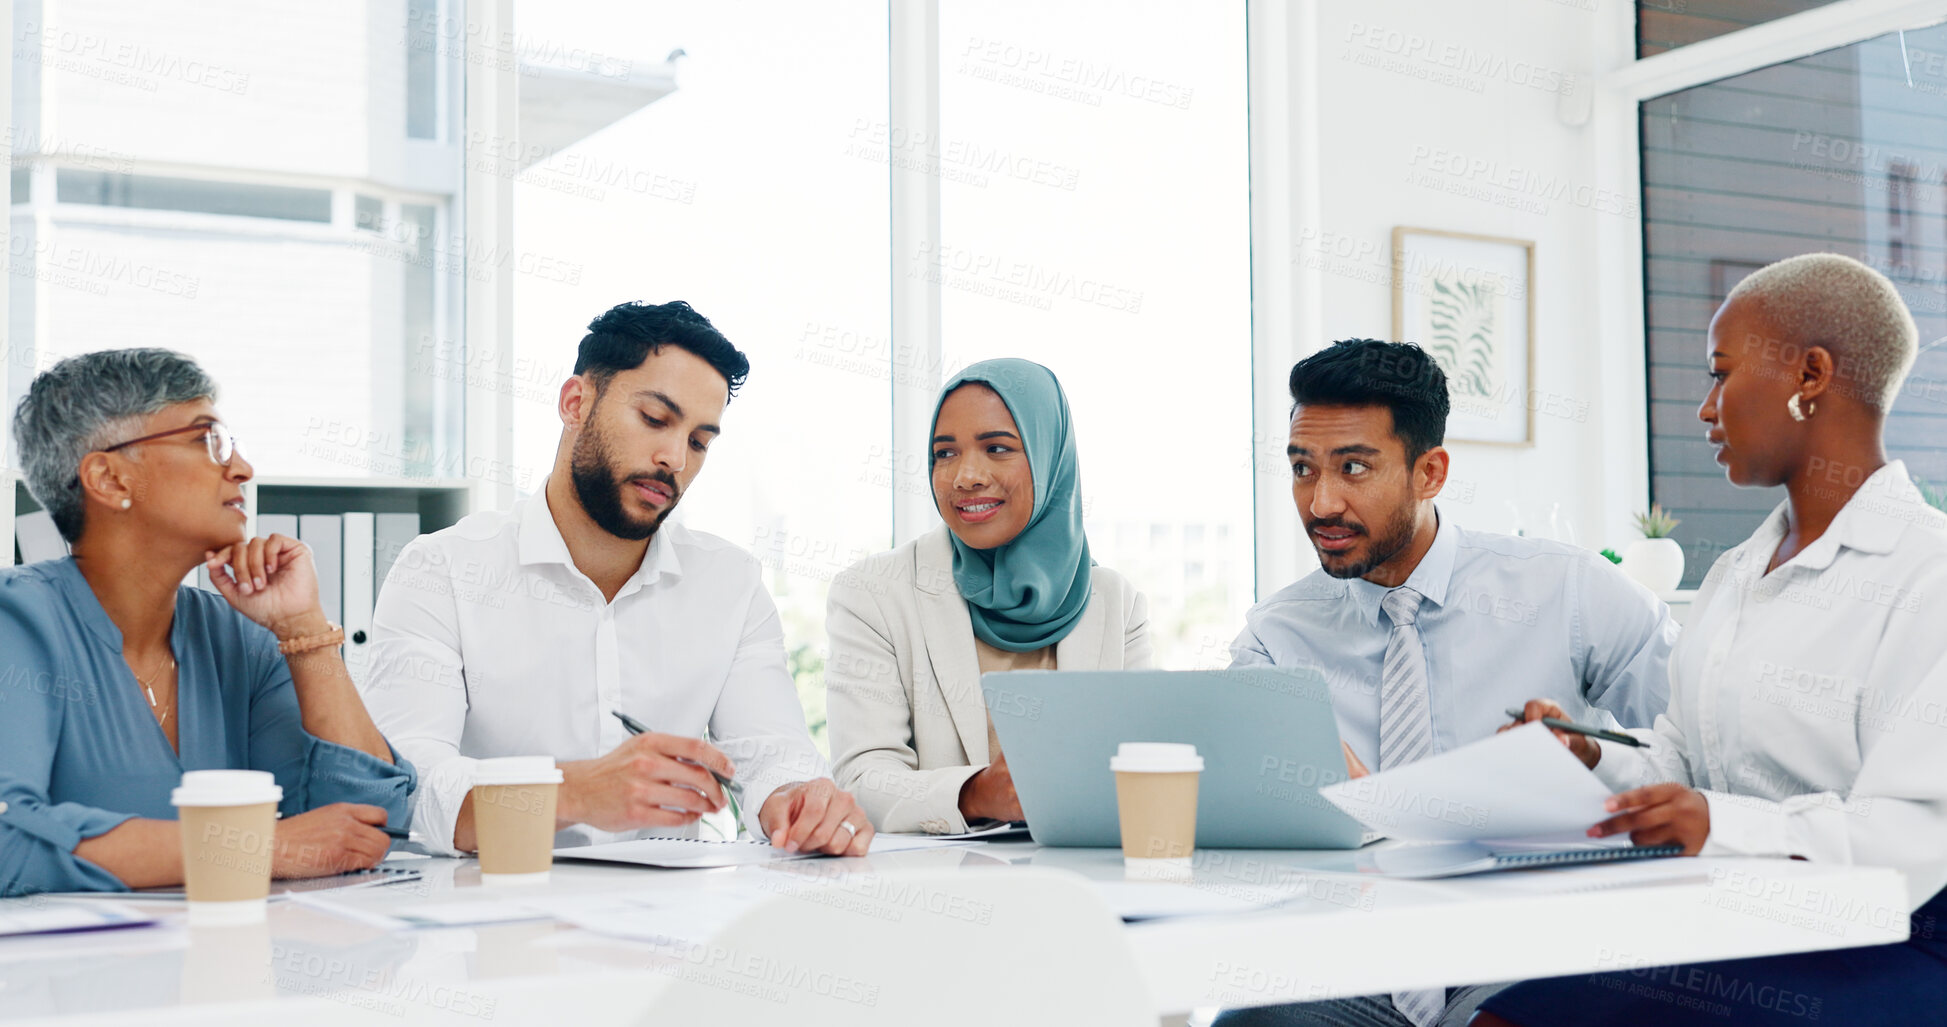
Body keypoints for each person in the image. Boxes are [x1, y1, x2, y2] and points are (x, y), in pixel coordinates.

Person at [1476, 255, 1947, 1026]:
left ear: (1811, 375)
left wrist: (1713, 823)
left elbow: (1904, 839)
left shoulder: (1926, 574)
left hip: (1895, 940)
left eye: (1720, 375)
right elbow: (1685, 762)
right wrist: (1592, 755)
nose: (1704, 409)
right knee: (1504, 1007)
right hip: (1736, 919)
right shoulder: (1734, 574)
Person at [1217, 339, 1679, 1027]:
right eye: (1301, 469)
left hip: (1524, 954)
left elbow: (1689, 753)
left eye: (1352, 467)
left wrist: (1587, 754)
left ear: (1428, 471)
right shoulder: (1274, 635)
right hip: (1350, 963)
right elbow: (1233, 817)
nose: (1320, 501)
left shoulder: (1570, 590)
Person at [362, 300, 872, 858]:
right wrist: (575, 792)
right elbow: (409, 790)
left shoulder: (730, 583)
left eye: (700, 442)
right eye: (655, 419)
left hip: (668, 929)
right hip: (493, 919)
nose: (675, 457)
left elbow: (773, 755)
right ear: (575, 402)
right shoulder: (441, 571)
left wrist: (800, 802)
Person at [0, 349, 415, 896]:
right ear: (109, 478)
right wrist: (266, 847)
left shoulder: (240, 637)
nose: (241, 467)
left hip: (232, 967)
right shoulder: (19, 621)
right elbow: (8, 843)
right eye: (205, 441)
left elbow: (365, 825)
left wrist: (304, 633)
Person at [826, 358, 1151, 835]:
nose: (966, 477)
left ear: (1049, 458)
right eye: (945, 453)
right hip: (938, 888)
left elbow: (1143, 766)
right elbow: (862, 779)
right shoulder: (873, 594)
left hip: (1082, 882)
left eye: (997, 448)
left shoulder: (1116, 603)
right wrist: (976, 794)